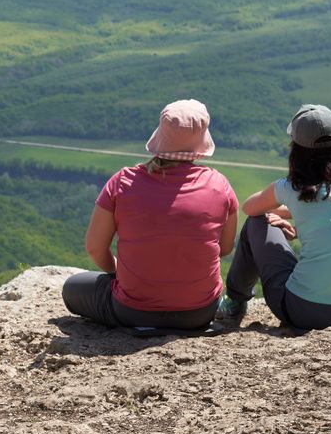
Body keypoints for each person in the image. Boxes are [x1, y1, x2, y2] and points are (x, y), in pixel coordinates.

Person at [62, 99, 239, 330]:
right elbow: (224, 248)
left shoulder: (123, 182)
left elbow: (95, 248)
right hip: (200, 312)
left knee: (72, 288)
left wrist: (120, 274)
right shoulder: (220, 185)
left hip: (132, 311)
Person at [220, 104, 331, 330]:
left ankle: (235, 304)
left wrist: (293, 216)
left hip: (308, 312)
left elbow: (250, 208)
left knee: (257, 222)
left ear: (296, 147)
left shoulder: (291, 188)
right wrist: (302, 223)